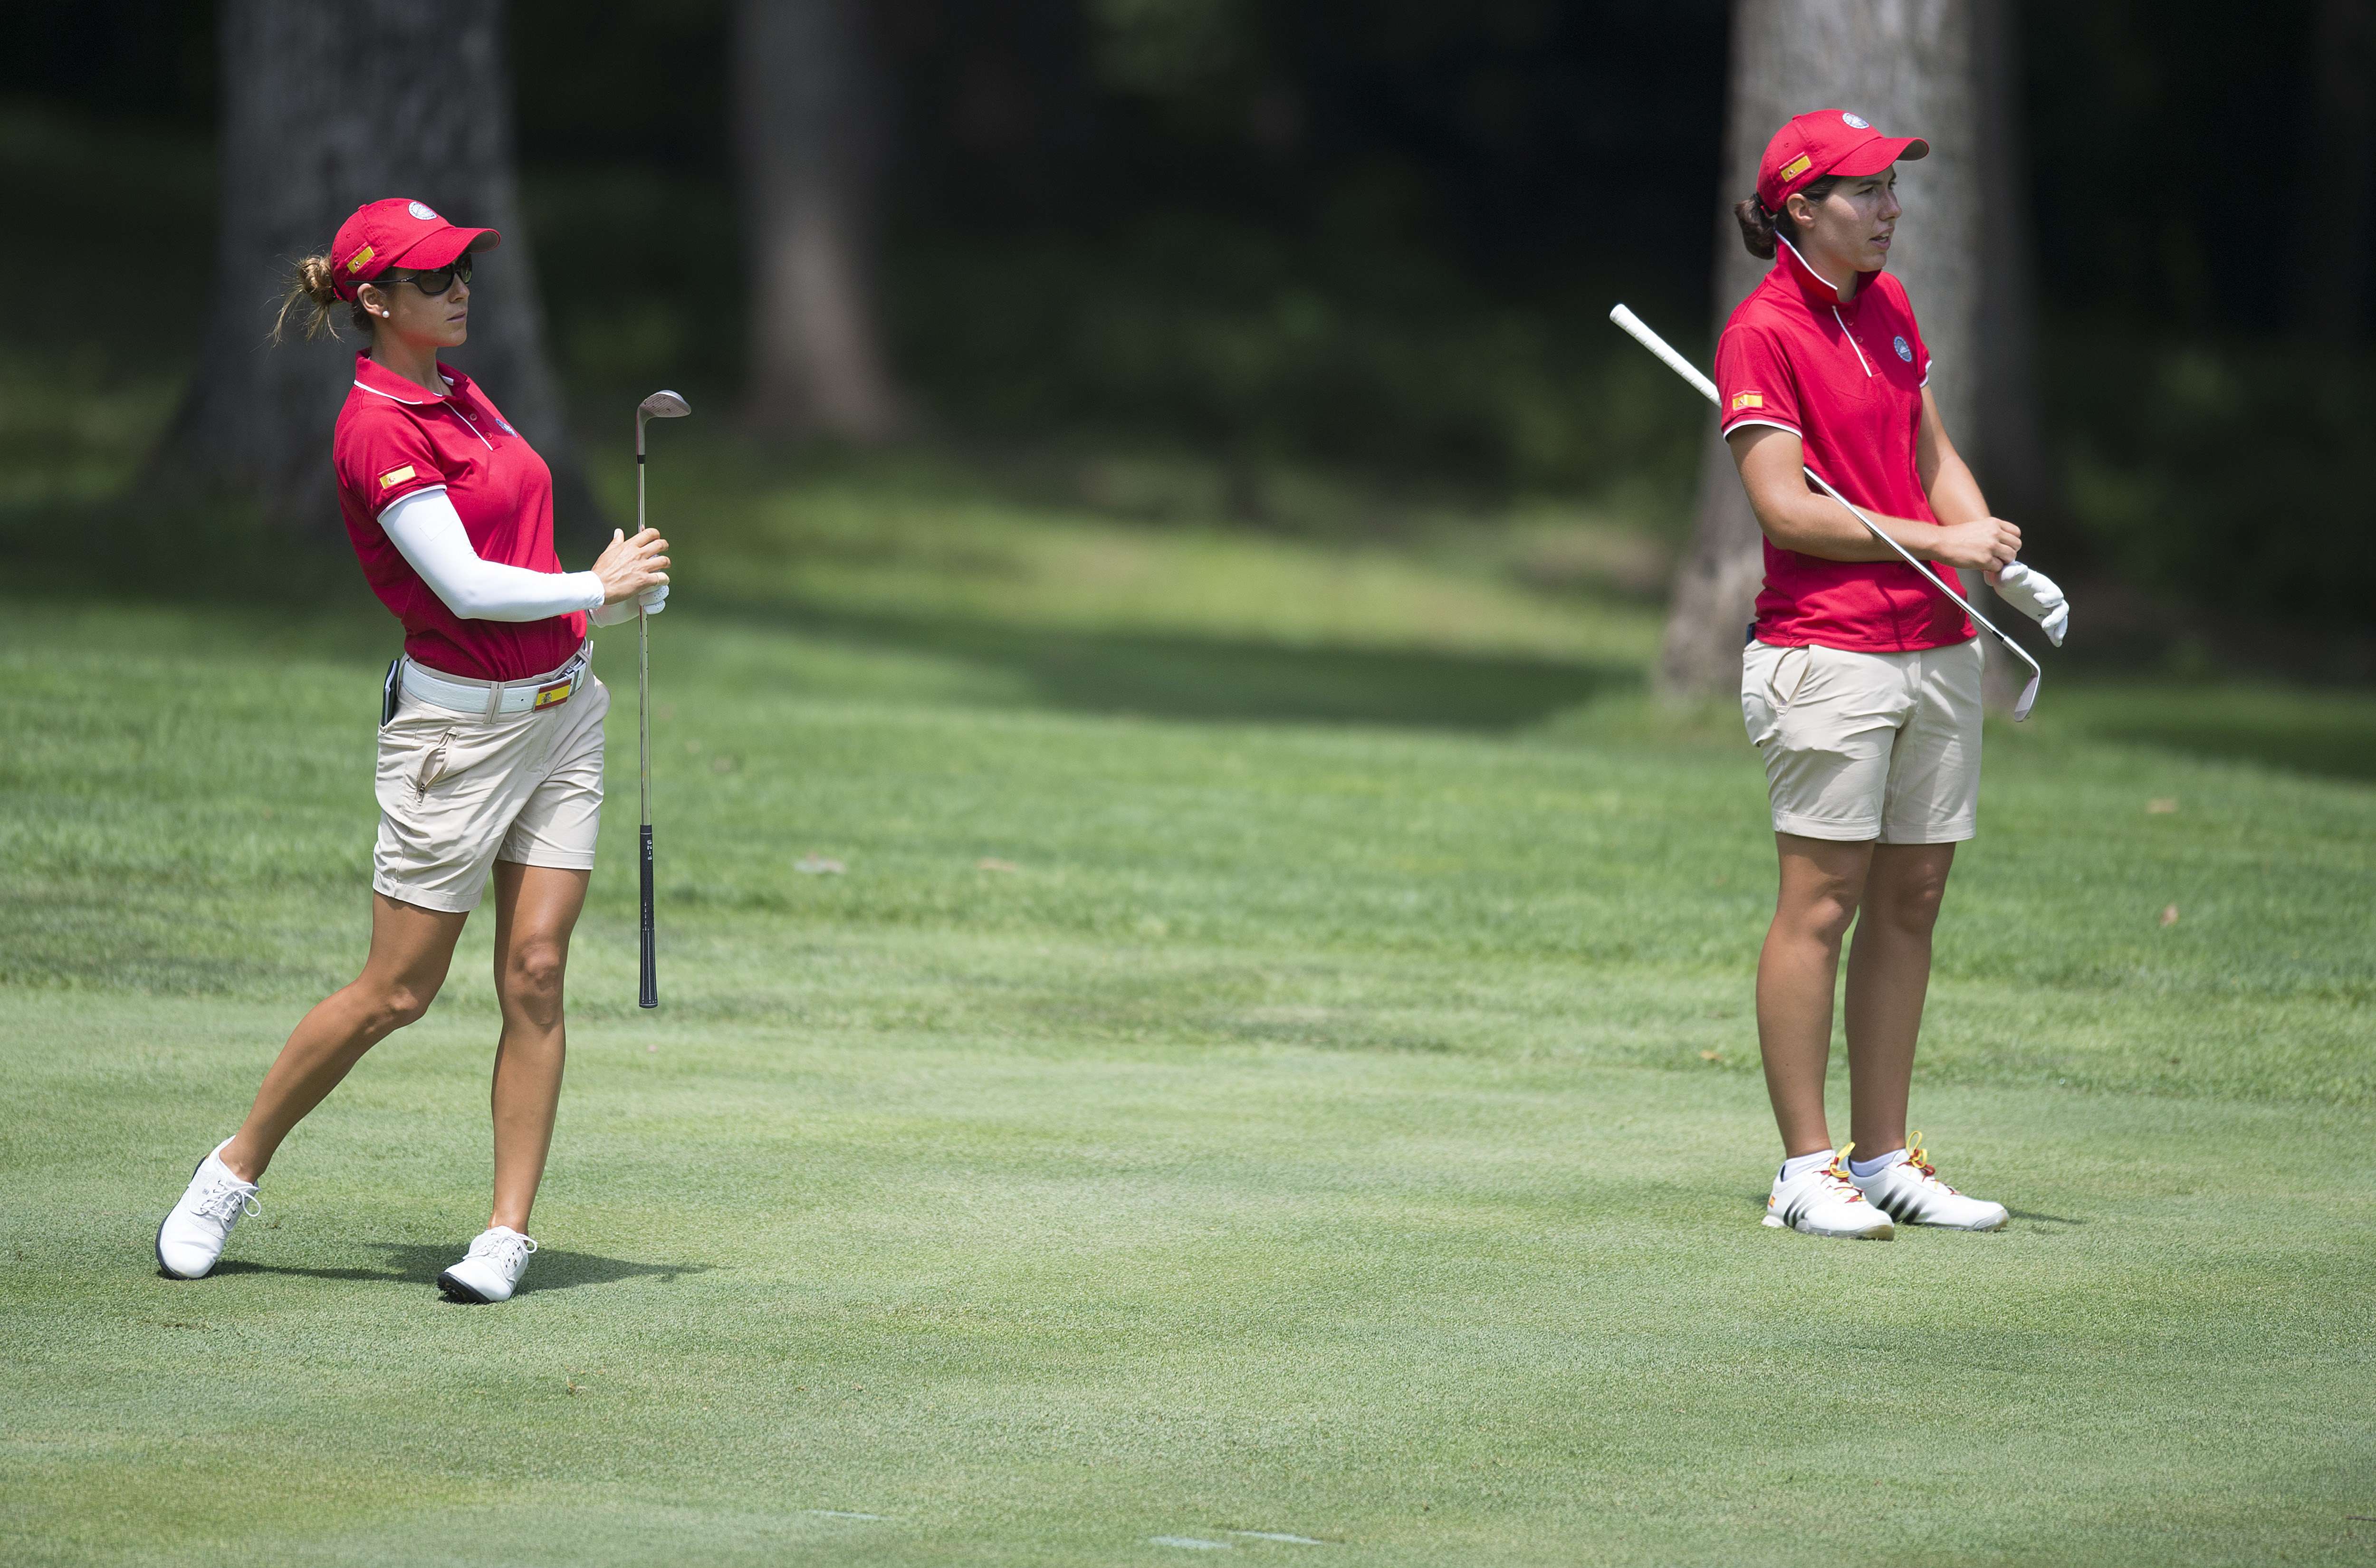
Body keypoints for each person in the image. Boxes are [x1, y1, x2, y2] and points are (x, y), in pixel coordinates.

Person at [153, 198, 672, 1301]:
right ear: (377, 300)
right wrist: (593, 586)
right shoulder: (378, 426)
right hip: (456, 737)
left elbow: (513, 552)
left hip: (564, 714)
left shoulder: (461, 394)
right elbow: (465, 588)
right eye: (434, 278)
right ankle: (232, 1170)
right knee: (397, 991)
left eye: (463, 270)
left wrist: (611, 599)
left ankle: (506, 1234)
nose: (460, 289)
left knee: (537, 972)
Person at [1719, 112, 2040, 1239]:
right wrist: (1938, 538)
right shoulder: (1761, 332)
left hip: (1934, 645)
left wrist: (1993, 556)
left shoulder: (1890, 306)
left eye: (1893, 189)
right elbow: (1784, 508)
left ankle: (1882, 1156)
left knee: (1913, 899)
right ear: (1800, 209)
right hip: (1826, 653)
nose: (1889, 210)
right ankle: (1805, 1170)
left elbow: (1930, 454)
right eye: (1864, 192)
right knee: (1822, 903)